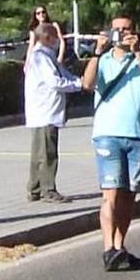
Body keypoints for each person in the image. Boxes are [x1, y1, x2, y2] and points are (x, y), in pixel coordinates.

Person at [81, 14, 140, 272]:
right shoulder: (103, 60)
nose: (122, 34)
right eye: (117, 29)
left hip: (139, 135)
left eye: (127, 29)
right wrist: (96, 53)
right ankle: (107, 248)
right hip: (108, 133)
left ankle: (119, 245)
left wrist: (138, 53)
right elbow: (87, 83)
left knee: (128, 196)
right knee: (111, 194)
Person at [23, 23, 83, 203]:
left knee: (39, 153)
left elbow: (64, 74)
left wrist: (80, 81)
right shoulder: (40, 57)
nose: (59, 40)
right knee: (47, 154)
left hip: (46, 112)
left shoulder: (48, 56)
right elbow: (55, 82)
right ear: (47, 37)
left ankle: (34, 188)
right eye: (56, 36)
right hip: (44, 112)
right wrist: (79, 85)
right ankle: (48, 189)